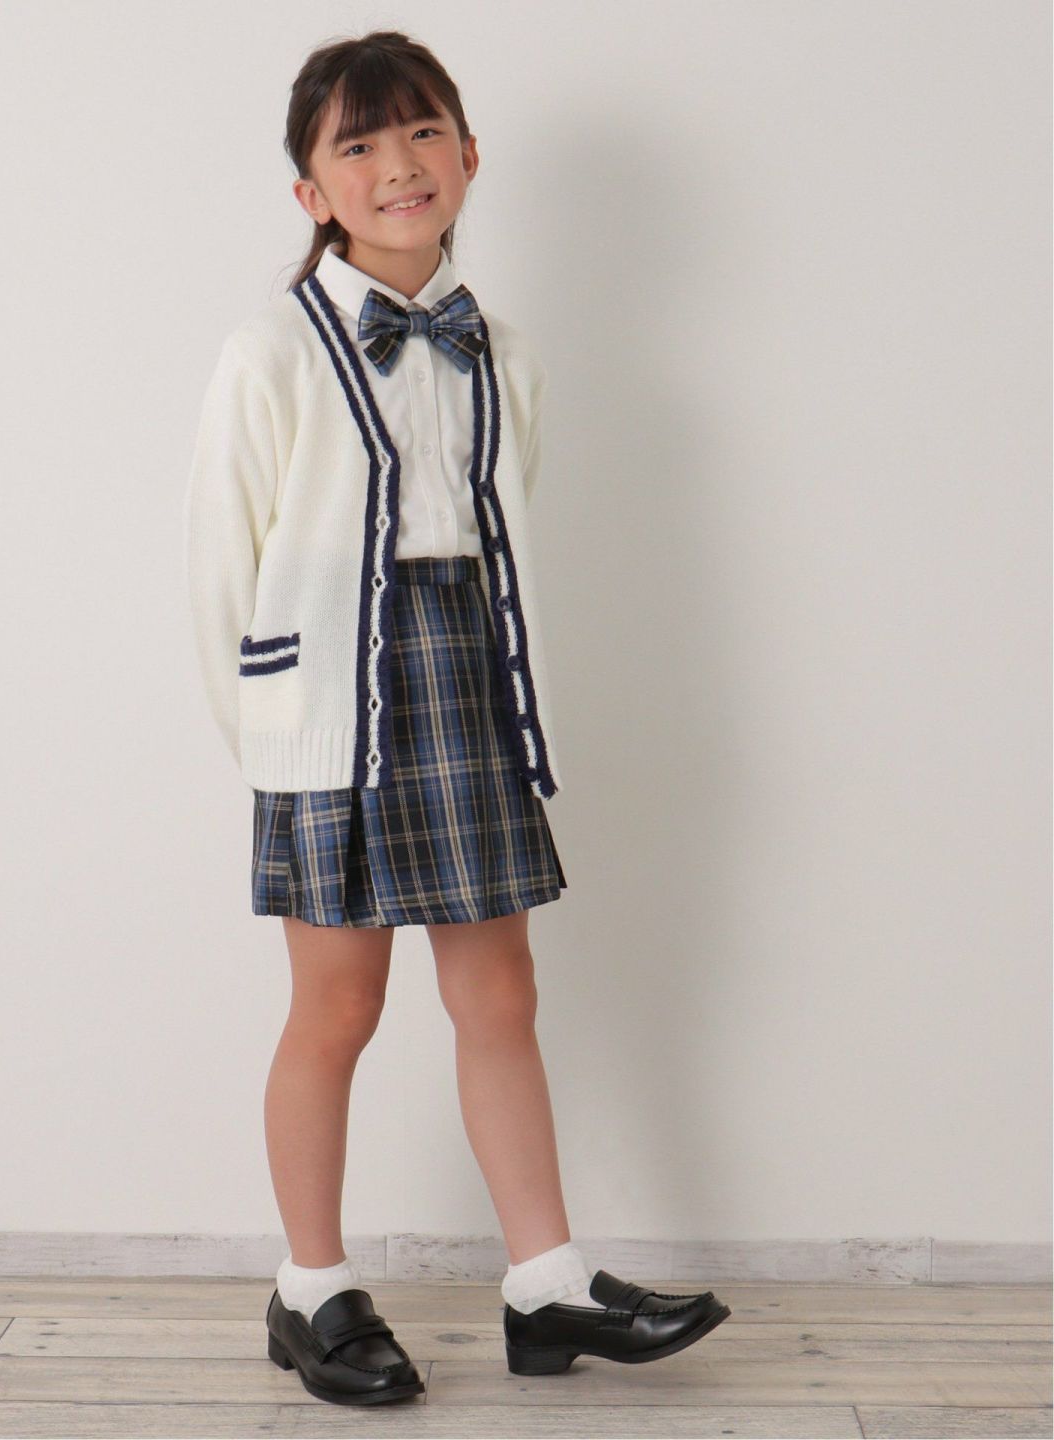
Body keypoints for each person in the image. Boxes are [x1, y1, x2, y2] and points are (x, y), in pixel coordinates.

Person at [184, 27, 730, 1407]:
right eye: (358, 144)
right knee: (337, 1005)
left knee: (501, 992)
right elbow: (219, 568)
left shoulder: (506, 354)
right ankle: (310, 1287)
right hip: (331, 707)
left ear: (471, 154)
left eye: (422, 130)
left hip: (467, 682)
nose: (399, 164)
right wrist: (274, 745)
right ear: (311, 191)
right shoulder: (270, 352)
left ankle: (545, 1283)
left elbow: (503, 524)